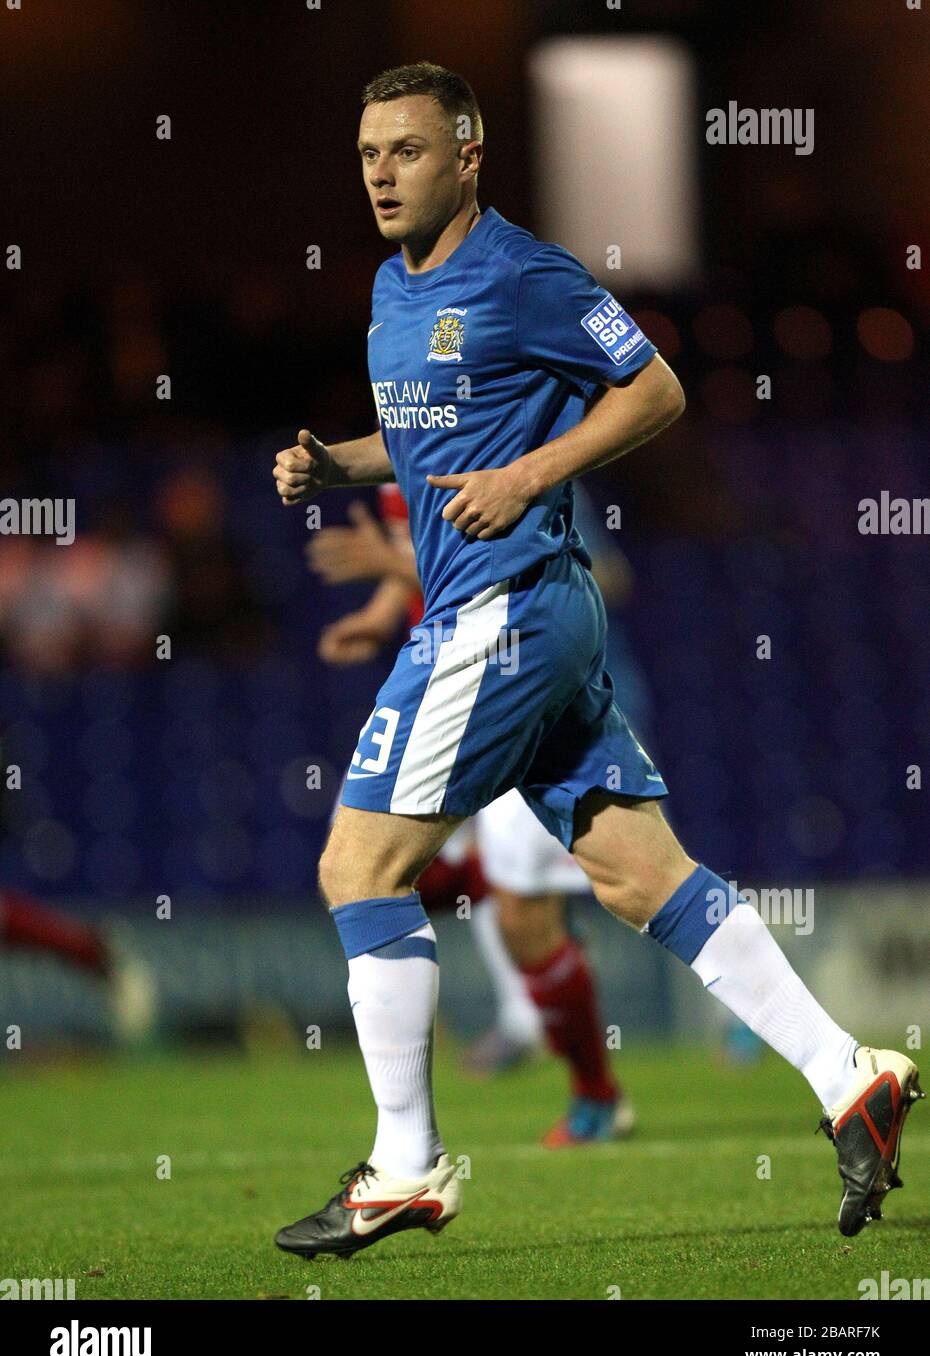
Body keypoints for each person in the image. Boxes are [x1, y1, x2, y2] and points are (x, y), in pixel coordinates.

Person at [272, 62, 922, 1259]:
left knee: (359, 864)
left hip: (506, 611)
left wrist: (533, 473)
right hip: (529, 619)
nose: (381, 171)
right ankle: (849, 1073)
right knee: (637, 875)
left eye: (408, 150)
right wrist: (338, 464)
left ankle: (407, 1166)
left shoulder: (523, 274)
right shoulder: (386, 287)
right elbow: (425, 439)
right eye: (369, 152)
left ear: (470, 156)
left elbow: (657, 389)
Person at [309, 485, 633, 1145]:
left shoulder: (506, 445)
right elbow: (423, 555)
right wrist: (384, 608)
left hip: (514, 685)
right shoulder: (405, 443)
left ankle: (594, 1090)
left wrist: (392, 567)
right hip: (437, 683)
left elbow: (575, 576)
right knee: (359, 870)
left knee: (565, 904)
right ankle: (410, 1135)